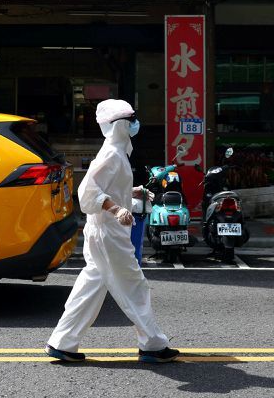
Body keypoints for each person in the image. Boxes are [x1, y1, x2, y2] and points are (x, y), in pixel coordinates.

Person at [45, 99, 179, 364]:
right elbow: (88, 192)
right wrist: (117, 209)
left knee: (91, 287)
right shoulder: (112, 155)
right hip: (110, 233)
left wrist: (132, 192)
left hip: (104, 232)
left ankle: (62, 343)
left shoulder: (116, 152)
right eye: (130, 120)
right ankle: (152, 345)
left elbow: (108, 187)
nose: (134, 125)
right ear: (119, 126)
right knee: (135, 286)